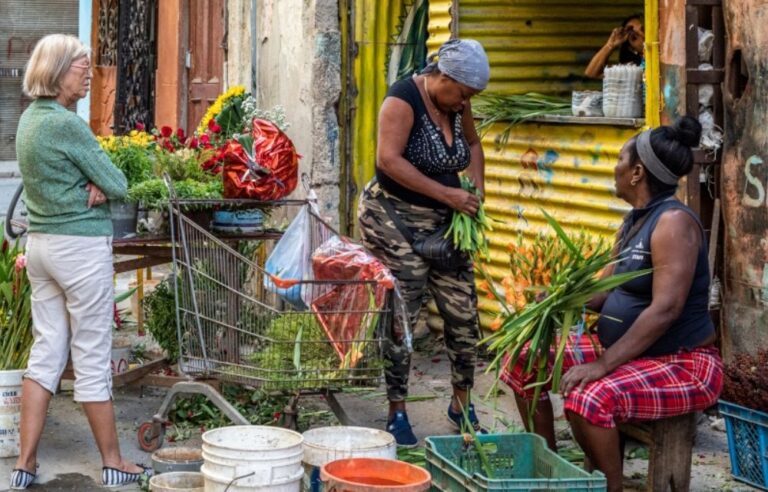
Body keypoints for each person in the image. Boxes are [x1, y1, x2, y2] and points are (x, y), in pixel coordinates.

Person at [502, 116, 723, 492]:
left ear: (637, 173)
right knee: (525, 359)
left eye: (621, 159)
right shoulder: (633, 222)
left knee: (589, 395)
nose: (615, 167)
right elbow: (605, 293)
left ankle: (608, 487)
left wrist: (602, 364)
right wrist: (558, 300)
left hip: (682, 362)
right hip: (635, 354)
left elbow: (666, 309)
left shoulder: (672, 223)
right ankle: (552, 473)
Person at [10, 34, 151, 489]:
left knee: (46, 352)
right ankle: (113, 462)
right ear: (55, 71)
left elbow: (89, 181)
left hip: (42, 248)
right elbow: (118, 180)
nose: (88, 73)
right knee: (91, 355)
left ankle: (24, 464)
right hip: (78, 248)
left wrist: (93, 183)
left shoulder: (29, 121)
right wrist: (99, 184)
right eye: (80, 66)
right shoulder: (67, 124)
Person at [357, 39, 490, 447]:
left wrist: (475, 190)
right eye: (463, 93)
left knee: (463, 315)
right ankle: (397, 411)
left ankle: (461, 404)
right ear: (444, 77)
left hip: (444, 222)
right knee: (403, 315)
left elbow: (472, 145)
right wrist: (448, 194)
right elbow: (388, 161)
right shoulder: (402, 99)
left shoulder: (458, 102)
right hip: (394, 218)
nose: (465, 103)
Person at [585, 13, 645, 79]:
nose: (642, 36)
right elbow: (591, 74)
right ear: (632, 49)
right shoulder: (635, 71)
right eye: (634, 37)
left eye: (643, 30)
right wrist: (610, 45)